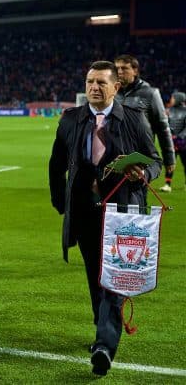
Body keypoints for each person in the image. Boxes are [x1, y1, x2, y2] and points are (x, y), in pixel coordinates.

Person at [49, 61, 162, 376]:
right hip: (84, 212)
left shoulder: (134, 119)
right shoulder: (71, 119)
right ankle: (102, 330)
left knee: (113, 278)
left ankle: (103, 345)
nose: (93, 88)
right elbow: (56, 164)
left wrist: (144, 173)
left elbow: (153, 159)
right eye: (89, 82)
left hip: (122, 212)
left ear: (115, 87)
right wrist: (62, 204)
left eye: (100, 82)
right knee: (95, 277)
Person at [114, 54, 175, 175]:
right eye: (117, 68)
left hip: (138, 158)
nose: (120, 72)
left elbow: (162, 127)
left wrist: (169, 157)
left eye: (124, 68)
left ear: (135, 71)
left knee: (135, 192)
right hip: (114, 157)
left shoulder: (150, 93)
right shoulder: (112, 93)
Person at [160, 91, 186, 192]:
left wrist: (180, 137)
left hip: (183, 143)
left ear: (179, 99)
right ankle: (167, 184)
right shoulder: (168, 110)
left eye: (173, 98)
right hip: (171, 141)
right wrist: (170, 135)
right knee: (169, 162)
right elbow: (165, 124)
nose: (171, 99)